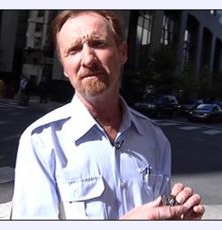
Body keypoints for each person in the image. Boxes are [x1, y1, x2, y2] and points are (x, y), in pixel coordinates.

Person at [11, 10, 205, 220]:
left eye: (98, 43)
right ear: (64, 68)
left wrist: (175, 218)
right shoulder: (41, 141)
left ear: (123, 52)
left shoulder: (155, 138)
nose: (88, 59)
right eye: (74, 50)